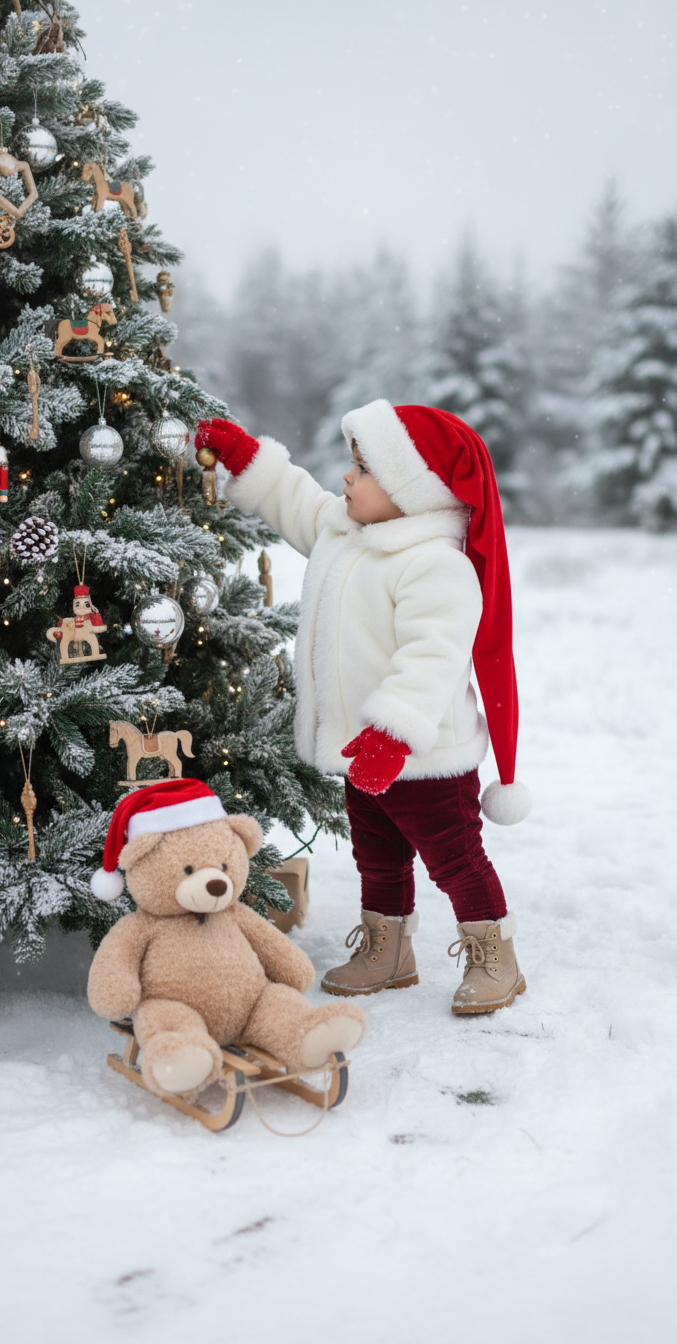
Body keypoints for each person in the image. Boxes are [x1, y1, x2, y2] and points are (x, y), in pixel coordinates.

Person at [194, 401, 532, 1014]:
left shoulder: (436, 564)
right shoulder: (350, 533)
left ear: (413, 488)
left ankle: (495, 959)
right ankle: (388, 949)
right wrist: (251, 461)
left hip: (424, 756)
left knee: (455, 860)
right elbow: (298, 503)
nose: (347, 479)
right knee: (376, 855)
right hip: (361, 752)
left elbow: (432, 657)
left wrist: (394, 734)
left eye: (363, 469)